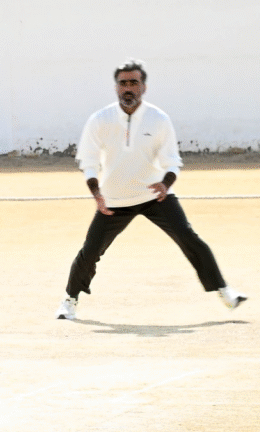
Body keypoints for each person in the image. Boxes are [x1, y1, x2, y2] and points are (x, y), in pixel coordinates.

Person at [56, 59, 247, 320]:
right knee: (90, 251)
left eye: (134, 83)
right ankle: (70, 300)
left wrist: (165, 185)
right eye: (123, 83)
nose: (128, 88)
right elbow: (88, 161)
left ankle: (225, 291)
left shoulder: (159, 119)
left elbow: (172, 161)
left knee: (189, 238)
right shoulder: (100, 120)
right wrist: (97, 194)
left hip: (154, 196)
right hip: (113, 200)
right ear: (116, 87)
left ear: (144, 87)